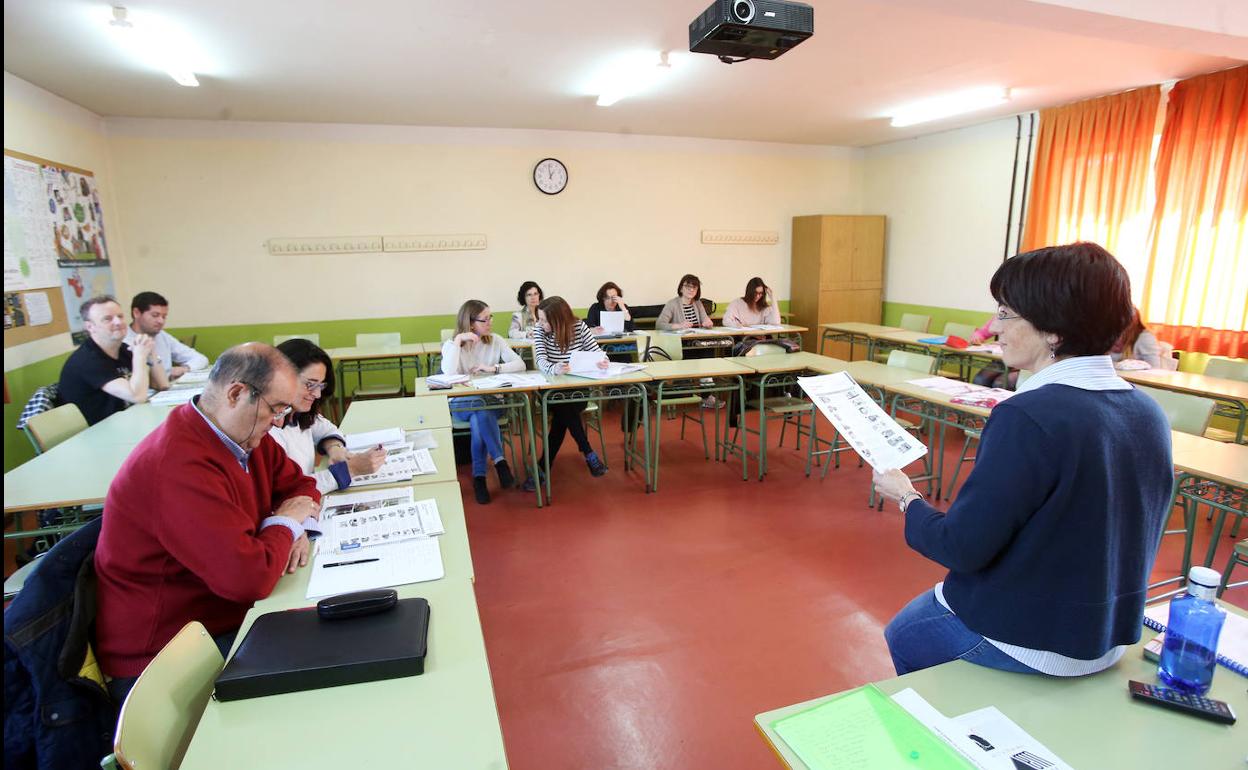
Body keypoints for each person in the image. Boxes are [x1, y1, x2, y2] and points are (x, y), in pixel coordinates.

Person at [872, 242, 1172, 678]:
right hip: (1106, 637)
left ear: (1054, 331)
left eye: (1006, 313)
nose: (995, 327)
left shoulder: (1028, 417)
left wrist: (907, 498)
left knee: (906, 633)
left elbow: (960, 547)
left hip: (1032, 641)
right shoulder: (1149, 413)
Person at [94, 343, 321, 703]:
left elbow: (301, 487)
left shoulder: (246, 437)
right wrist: (285, 524)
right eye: (276, 409)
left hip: (220, 615)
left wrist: (292, 526)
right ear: (236, 393)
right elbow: (247, 578)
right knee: (320, 672)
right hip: (166, 653)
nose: (279, 421)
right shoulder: (177, 464)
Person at [270, 338, 386, 494]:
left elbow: (326, 429)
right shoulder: (268, 431)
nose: (317, 394)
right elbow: (290, 491)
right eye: (310, 384)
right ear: (282, 377)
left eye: (321, 385)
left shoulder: (296, 413)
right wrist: (351, 469)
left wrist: (334, 448)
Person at [442, 300, 524, 504]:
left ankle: (479, 477)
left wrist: (494, 368)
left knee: (480, 415)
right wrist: (459, 341)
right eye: (484, 319)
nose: (490, 322)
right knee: (480, 408)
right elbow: (448, 373)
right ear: (470, 324)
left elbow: (520, 364)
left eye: (491, 317)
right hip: (461, 403)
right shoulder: (452, 345)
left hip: (490, 402)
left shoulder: (495, 340)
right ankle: (499, 462)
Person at [524, 296, 609, 491]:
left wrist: (603, 360)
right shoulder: (539, 330)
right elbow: (542, 361)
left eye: (545, 320)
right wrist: (556, 368)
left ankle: (543, 467)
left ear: (559, 319)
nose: (541, 323)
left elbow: (597, 352)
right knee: (565, 410)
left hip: (578, 388)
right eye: (540, 319)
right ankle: (587, 451)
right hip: (551, 389)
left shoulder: (579, 327)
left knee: (563, 416)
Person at [58, 295, 169, 425]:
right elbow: (137, 396)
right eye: (107, 319)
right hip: (96, 433)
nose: (118, 322)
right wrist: (140, 356)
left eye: (120, 316)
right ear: (90, 327)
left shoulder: (123, 350)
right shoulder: (87, 360)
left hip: (125, 421)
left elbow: (162, 385)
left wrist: (151, 351)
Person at [124, 290, 210, 380]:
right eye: (155, 315)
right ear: (136, 313)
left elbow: (201, 359)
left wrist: (185, 368)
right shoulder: (123, 341)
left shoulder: (162, 336)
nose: (161, 321)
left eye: (164, 316)